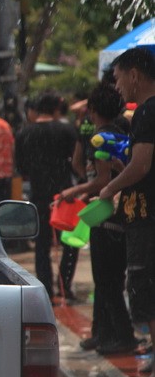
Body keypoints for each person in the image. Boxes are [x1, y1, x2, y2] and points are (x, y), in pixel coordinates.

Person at [96, 48, 155, 377]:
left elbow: (142, 165)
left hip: (146, 218)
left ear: (134, 74)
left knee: (146, 288)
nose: (117, 86)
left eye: (118, 78)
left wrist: (109, 188)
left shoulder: (146, 111)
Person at [60, 82, 135, 355]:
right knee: (110, 278)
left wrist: (74, 191)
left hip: (105, 213)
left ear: (92, 110)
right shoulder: (124, 131)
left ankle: (123, 336)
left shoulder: (99, 138)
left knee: (106, 280)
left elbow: (102, 180)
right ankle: (102, 333)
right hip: (124, 213)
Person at [15, 91, 80, 302]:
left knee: (42, 244)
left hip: (38, 194)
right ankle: (65, 285)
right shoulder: (67, 130)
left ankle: (46, 289)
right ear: (56, 109)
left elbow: (21, 167)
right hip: (64, 194)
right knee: (70, 240)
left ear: (36, 109)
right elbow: (76, 161)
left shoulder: (24, 133)